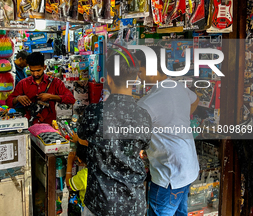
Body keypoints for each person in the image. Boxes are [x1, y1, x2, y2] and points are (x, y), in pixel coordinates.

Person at [77, 52, 152, 216]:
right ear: (135, 80)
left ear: (108, 78)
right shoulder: (143, 116)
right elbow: (143, 146)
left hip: (101, 202)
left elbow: (81, 136)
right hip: (134, 203)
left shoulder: (95, 112)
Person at [135, 46, 200, 216]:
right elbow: (195, 99)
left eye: (139, 69)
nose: (138, 75)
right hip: (187, 168)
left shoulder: (148, 103)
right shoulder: (176, 86)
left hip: (169, 176)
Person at [6, 52, 75, 125]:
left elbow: (71, 99)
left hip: (49, 125)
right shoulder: (23, 83)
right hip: (29, 125)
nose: (35, 74)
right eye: (32, 71)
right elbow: (8, 102)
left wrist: (51, 97)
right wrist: (18, 98)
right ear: (29, 68)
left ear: (44, 67)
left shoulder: (55, 82)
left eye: (38, 71)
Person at [66, 142, 93, 216]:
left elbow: (69, 185)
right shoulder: (98, 168)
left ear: (79, 159)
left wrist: (69, 163)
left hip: (89, 209)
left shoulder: (83, 175)